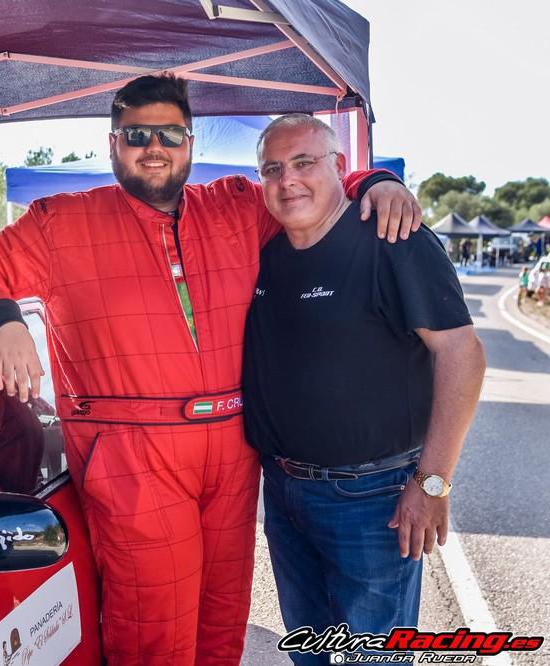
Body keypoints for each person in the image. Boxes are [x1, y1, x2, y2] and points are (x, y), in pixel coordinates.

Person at [0, 74, 421, 665]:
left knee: (222, 623)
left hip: (231, 450)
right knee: (154, 634)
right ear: (113, 144)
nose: (153, 147)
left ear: (190, 142)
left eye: (168, 134)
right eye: (135, 134)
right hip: (132, 455)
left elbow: (310, 185)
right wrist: (5, 322)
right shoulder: (61, 221)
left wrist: (377, 181)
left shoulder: (238, 205)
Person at [241, 114, 486, 665]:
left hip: (374, 501)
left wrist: (434, 482)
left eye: (305, 163)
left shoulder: (394, 241)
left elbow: (462, 355)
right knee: (311, 650)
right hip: (283, 492)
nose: (288, 180)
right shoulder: (265, 255)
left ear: (340, 168)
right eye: (272, 169)